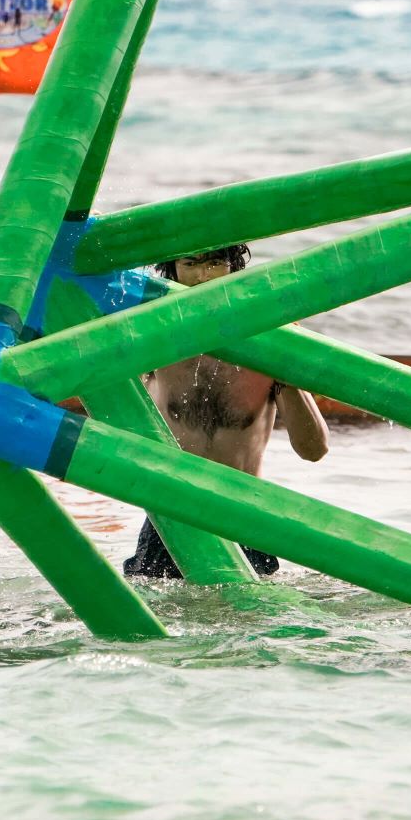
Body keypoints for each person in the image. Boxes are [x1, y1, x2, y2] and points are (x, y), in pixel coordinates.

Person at [123, 245, 330, 578]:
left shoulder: (269, 340)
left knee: (248, 621)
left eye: (216, 263)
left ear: (234, 269)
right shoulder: (153, 337)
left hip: (245, 511)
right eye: (191, 262)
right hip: (171, 511)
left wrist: (287, 374)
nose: (204, 276)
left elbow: (314, 449)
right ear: (172, 271)